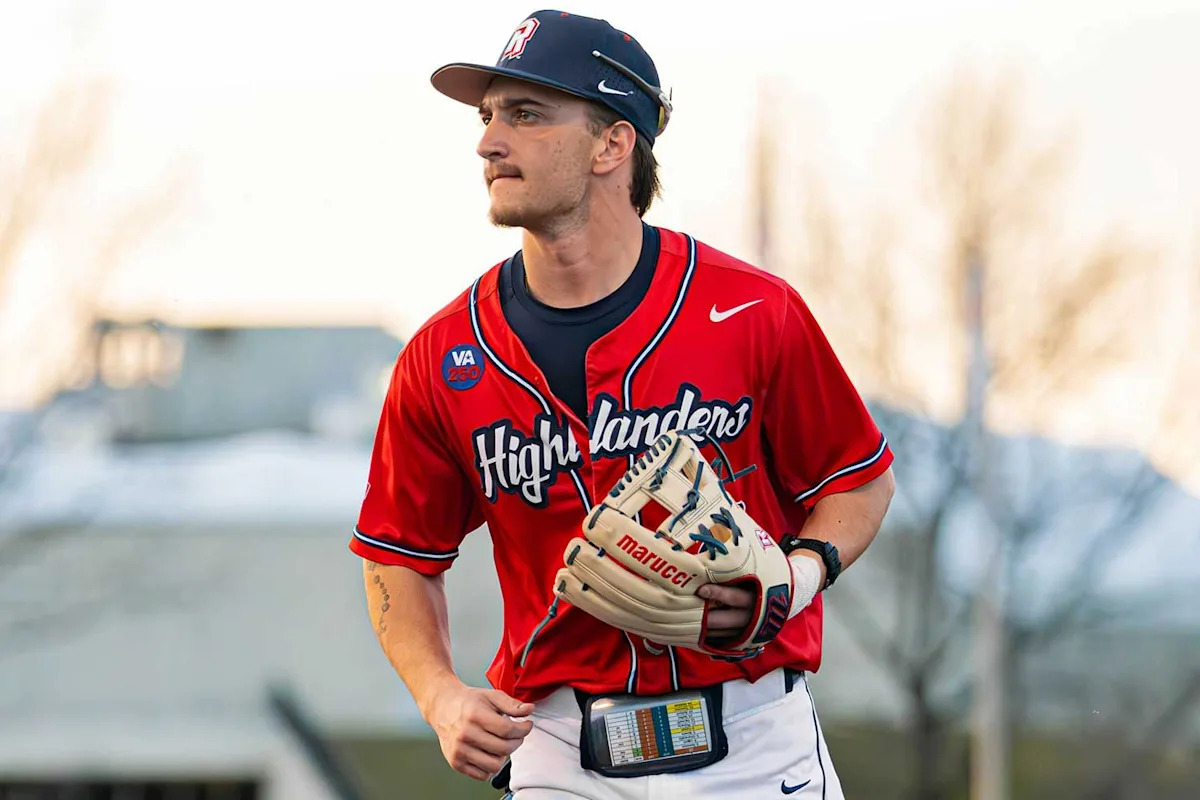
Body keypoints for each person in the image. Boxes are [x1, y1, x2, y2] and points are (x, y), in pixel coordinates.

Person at [350, 9, 895, 799]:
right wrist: (440, 697)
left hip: (751, 739)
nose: (488, 141)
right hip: (561, 748)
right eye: (488, 115)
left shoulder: (750, 312)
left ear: (614, 144)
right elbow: (396, 553)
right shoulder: (443, 357)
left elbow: (858, 476)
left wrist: (799, 574)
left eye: (527, 114)